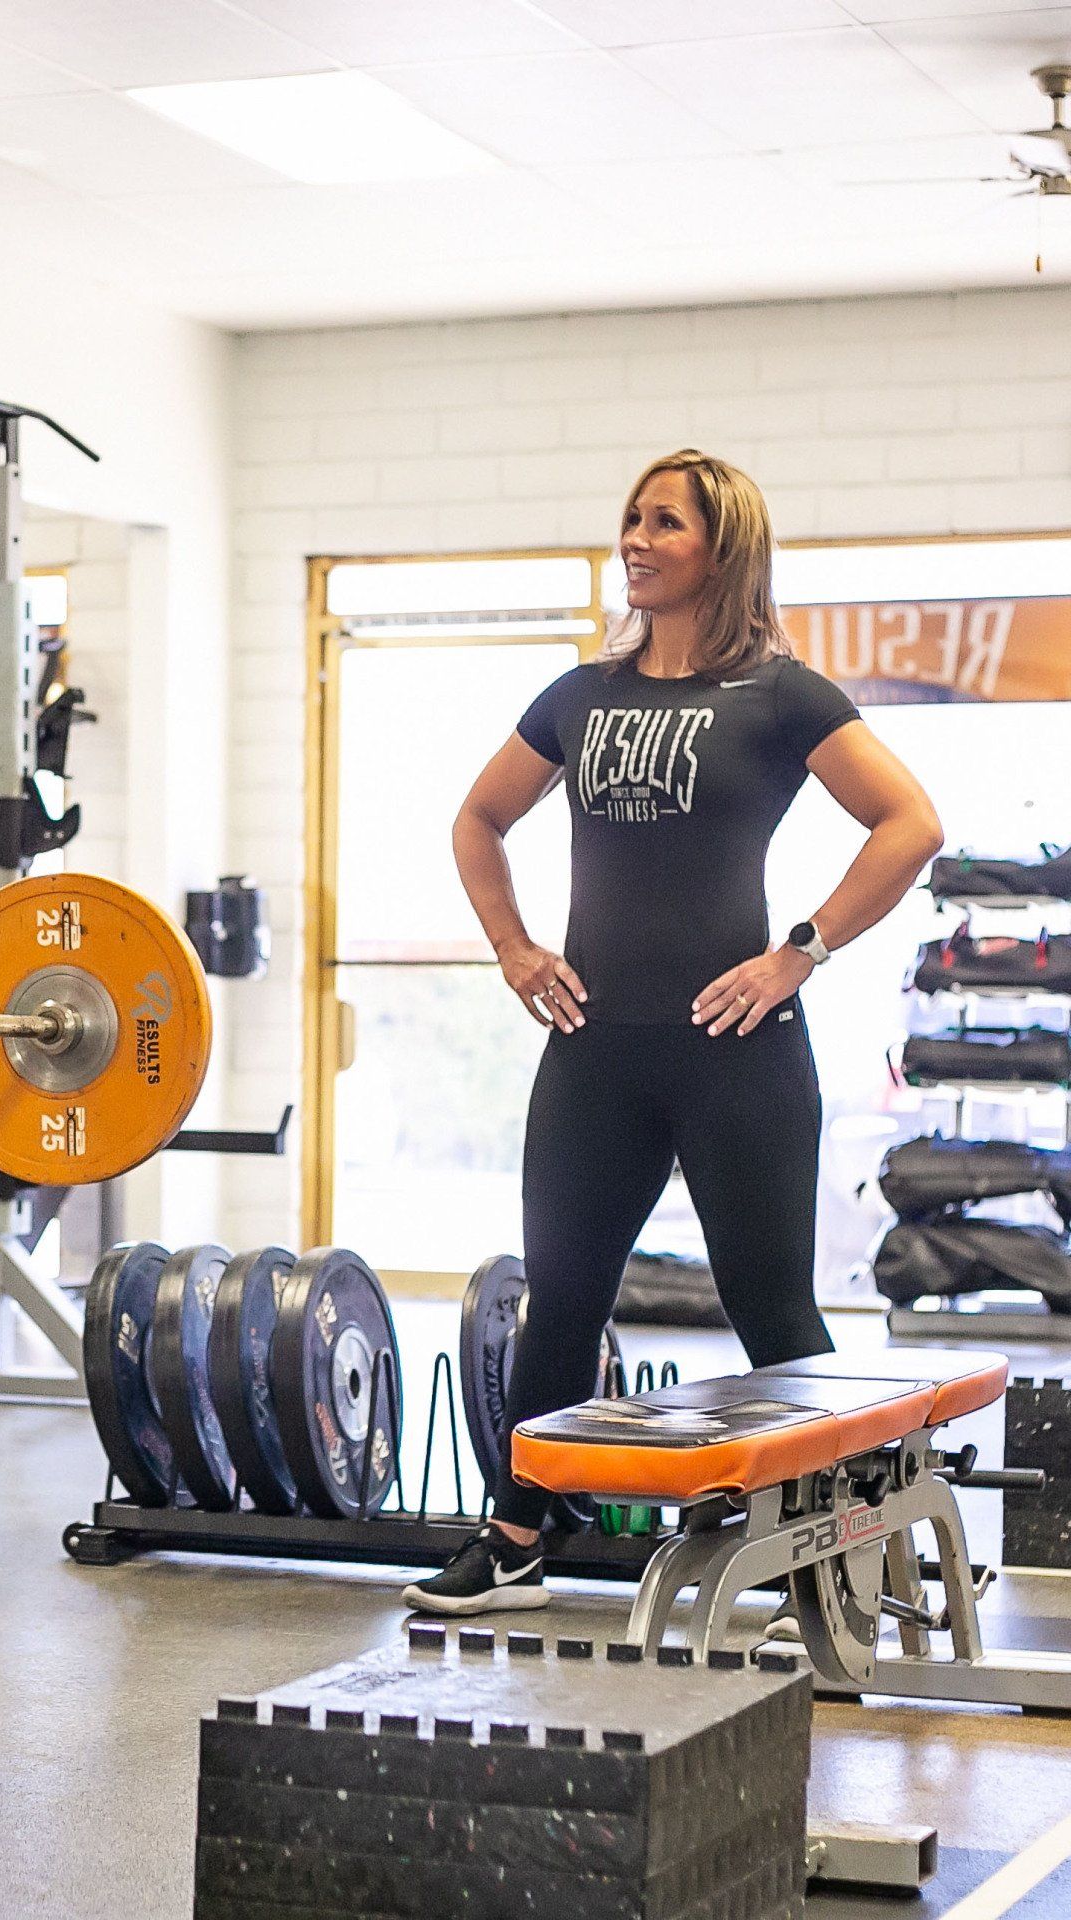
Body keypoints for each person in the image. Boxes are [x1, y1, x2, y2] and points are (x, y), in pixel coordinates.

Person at [405, 449, 944, 1617]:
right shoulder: (580, 696)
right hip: (597, 1047)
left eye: (665, 523)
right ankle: (516, 1543)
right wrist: (513, 947)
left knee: (774, 1311)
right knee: (564, 1299)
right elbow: (479, 819)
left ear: (723, 549)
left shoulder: (784, 696)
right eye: (631, 519)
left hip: (736, 1051)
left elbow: (909, 825)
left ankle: (833, 1565)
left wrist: (802, 948)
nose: (636, 539)